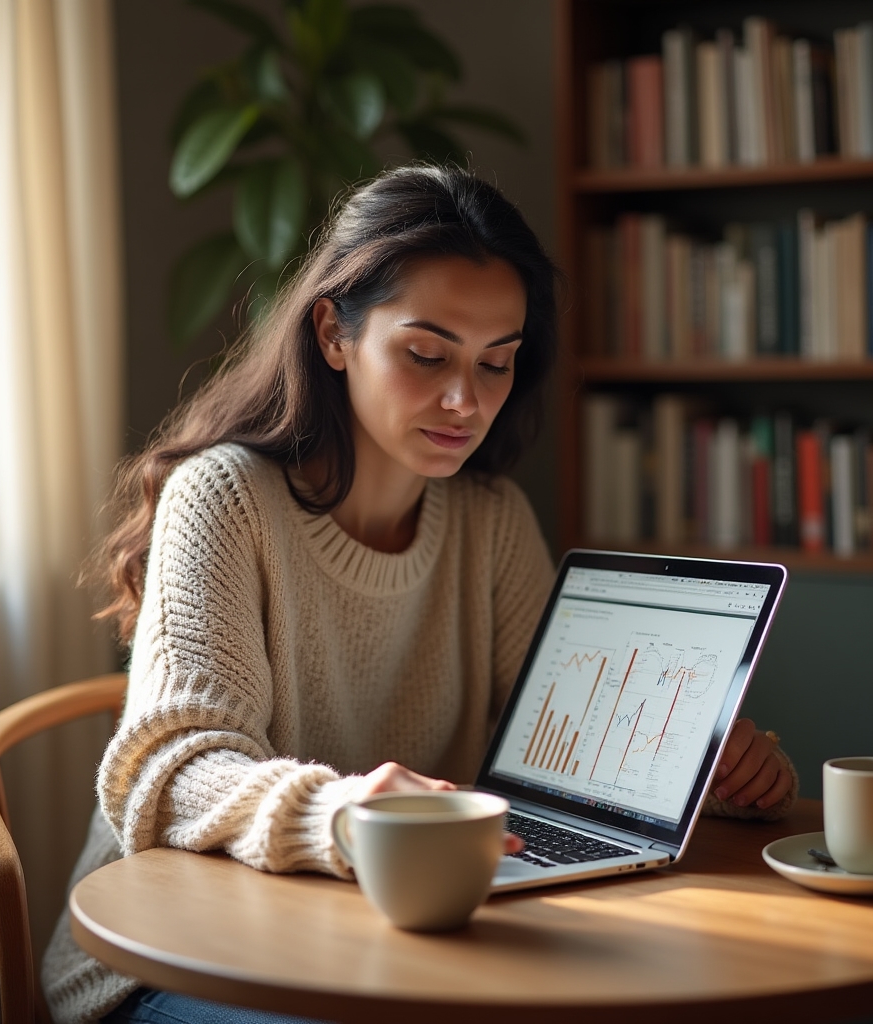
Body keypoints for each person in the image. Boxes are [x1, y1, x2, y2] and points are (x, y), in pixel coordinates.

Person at [42, 165, 798, 1024]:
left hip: (382, 944)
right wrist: (345, 812)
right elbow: (170, 775)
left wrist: (707, 762)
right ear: (333, 333)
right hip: (184, 960)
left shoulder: (491, 519)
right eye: (427, 354)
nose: (463, 400)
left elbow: (569, 747)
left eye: (496, 363)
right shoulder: (225, 499)